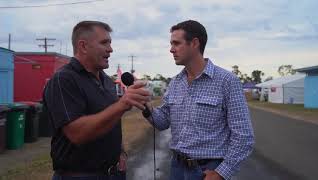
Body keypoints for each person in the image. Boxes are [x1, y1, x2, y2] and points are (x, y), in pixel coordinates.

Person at [144, 20, 254, 180]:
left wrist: (222, 173)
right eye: (171, 44)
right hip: (177, 168)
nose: (171, 49)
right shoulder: (175, 82)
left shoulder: (227, 81)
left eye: (176, 43)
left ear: (194, 43)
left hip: (208, 171)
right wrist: (144, 106)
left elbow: (244, 135)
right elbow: (163, 122)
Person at [43, 21, 150, 180]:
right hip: (78, 176)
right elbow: (77, 133)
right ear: (83, 46)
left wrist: (120, 152)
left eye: (110, 43)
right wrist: (121, 105)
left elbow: (111, 120)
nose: (111, 49)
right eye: (104, 43)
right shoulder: (64, 79)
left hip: (114, 173)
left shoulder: (106, 80)